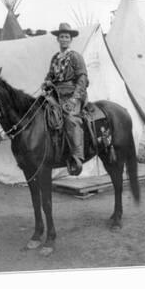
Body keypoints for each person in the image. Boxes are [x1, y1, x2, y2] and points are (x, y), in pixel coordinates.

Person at [41, 23, 89, 176]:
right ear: (58, 39)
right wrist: (47, 81)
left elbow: (83, 79)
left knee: (70, 118)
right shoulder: (55, 58)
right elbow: (50, 75)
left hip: (72, 94)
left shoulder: (75, 56)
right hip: (55, 94)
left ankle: (77, 157)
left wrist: (75, 99)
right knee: (41, 111)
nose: (64, 39)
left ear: (71, 39)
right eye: (61, 37)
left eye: (67, 37)